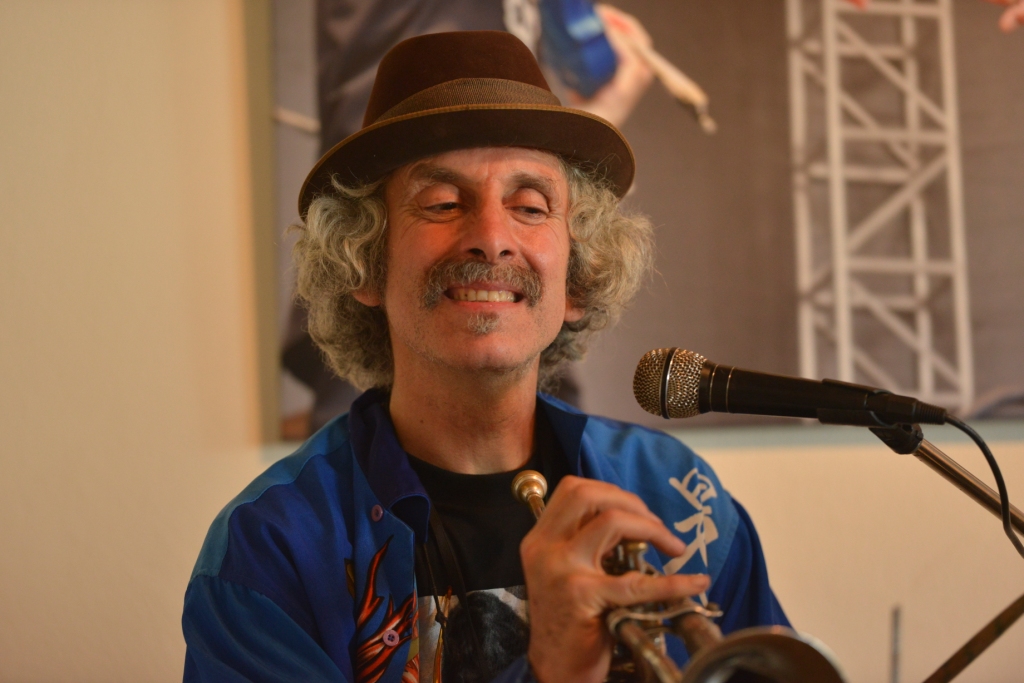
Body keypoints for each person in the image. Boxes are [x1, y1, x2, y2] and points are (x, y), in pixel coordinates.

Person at [183, 31, 787, 683]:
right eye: (442, 203)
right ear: (365, 263)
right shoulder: (270, 545)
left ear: (576, 277)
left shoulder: (679, 497)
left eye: (530, 206)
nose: (491, 238)